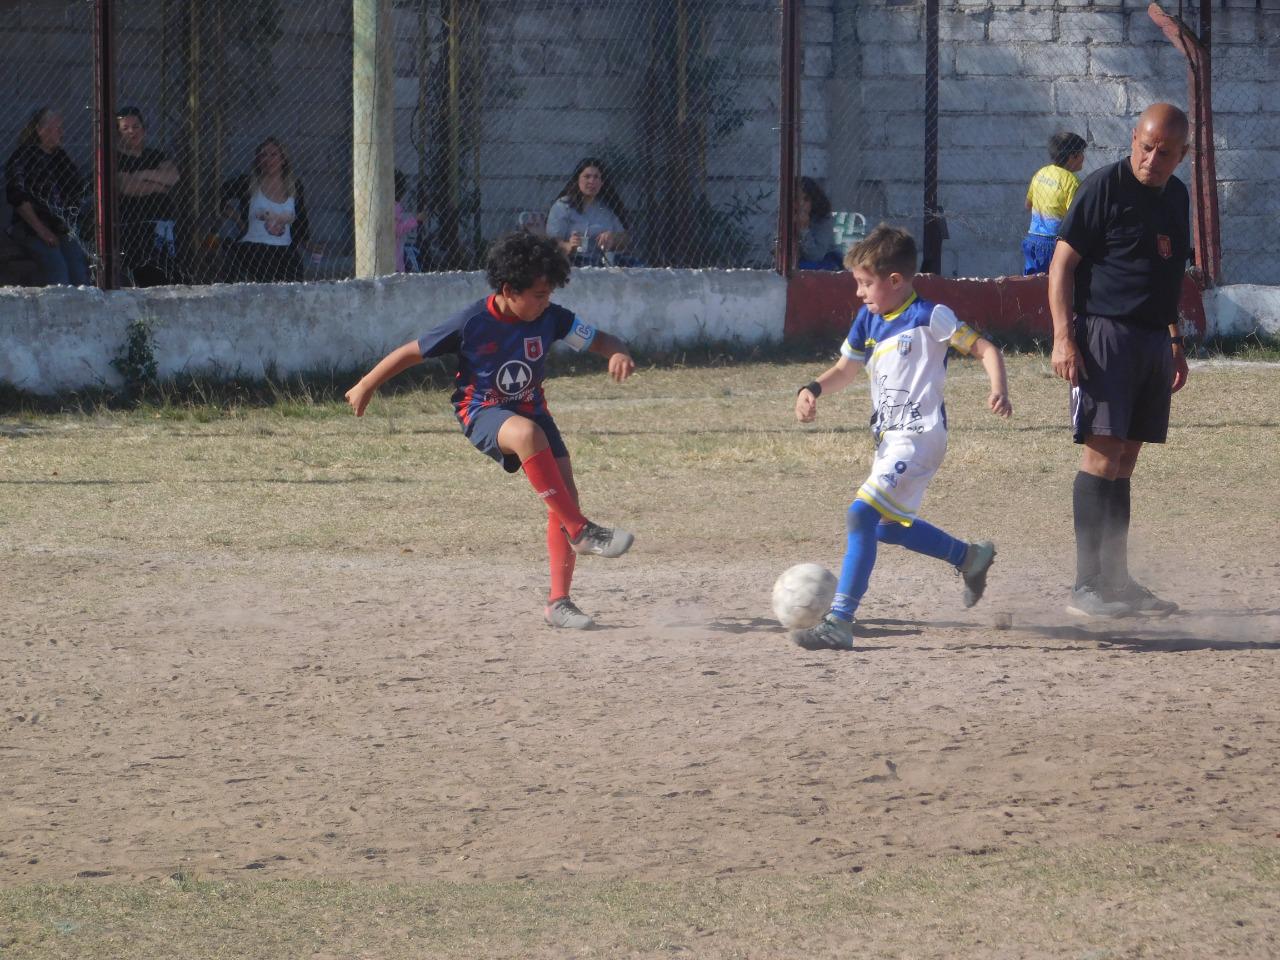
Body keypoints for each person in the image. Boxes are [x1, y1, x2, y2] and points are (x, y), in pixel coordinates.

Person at [344, 232, 637, 629]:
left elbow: (600, 339)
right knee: (530, 440)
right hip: (482, 410)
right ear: (508, 290)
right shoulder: (473, 321)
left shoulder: (552, 318)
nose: (545, 301)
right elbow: (412, 351)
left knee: (563, 497)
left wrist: (617, 351)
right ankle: (581, 532)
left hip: (533, 410)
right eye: (537, 294)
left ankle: (559, 603)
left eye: (549, 293)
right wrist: (367, 384)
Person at [790, 223, 1012, 651]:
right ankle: (969, 557)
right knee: (886, 529)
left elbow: (986, 348)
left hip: (920, 435)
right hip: (891, 441)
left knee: (860, 515)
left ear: (894, 281)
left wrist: (997, 387)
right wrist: (812, 389)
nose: (859, 293)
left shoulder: (929, 316)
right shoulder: (867, 321)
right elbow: (846, 370)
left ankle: (839, 621)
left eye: (865, 283)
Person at [1049, 103, 1191, 619]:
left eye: (1165, 152)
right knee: (1102, 454)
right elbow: (1061, 265)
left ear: (1182, 155)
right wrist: (1064, 337)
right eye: (1145, 146)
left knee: (1126, 460)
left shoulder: (1177, 196)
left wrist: (1174, 341)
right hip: (1103, 335)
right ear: (1133, 138)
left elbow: (1170, 272)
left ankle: (1117, 579)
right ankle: (1087, 585)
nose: (1152, 159)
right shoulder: (1103, 187)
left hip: (1153, 340)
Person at [4, 107, 89, 286]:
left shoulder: (60, 157)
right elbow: (17, 196)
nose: (61, 132)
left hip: (62, 227)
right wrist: (42, 230)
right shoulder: (24, 156)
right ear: (40, 130)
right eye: (56, 127)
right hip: (32, 228)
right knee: (58, 268)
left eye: (61, 127)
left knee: (78, 269)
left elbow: (78, 188)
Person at [221, 137, 311, 282]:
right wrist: (236, 217)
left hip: (285, 252)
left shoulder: (294, 185)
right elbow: (217, 195)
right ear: (258, 160)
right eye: (263, 155)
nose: (268, 159)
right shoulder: (247, 183)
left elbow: (301, 218)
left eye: (273, 155)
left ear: (283, 160)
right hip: (254, 250)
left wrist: (308, 244)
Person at [115, 106, 180, 286]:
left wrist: (140, 175)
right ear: (118, 133)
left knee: (165, 276)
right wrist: (159, 184)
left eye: (135, 126)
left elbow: (173, 177)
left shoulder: (156, 155)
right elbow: (126, 186)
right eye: (125, 128)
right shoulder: (115, 158)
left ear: (143, 129)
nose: (132, 132)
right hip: (133, 227)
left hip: (163, 226)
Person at [545, 157, 630, 266]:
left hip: (601, 263)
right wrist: (569, 246)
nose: (592, 181)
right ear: (577, 180)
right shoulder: (562, 206)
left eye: (596, 177)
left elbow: (625, 238)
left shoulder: (606, 208)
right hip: (571, 262)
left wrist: (613, 238)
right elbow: (552, 241)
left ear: (602, 182)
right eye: (587, 176)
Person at [1023, 131, 1086, 276]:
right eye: (1082, 153)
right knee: (1055, 283)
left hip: (1032, 240)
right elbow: (1074, 218)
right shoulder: (1072, 181)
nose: (1084, 158)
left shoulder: (1041, 173)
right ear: (1072, 156)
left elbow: (1028, 204)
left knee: (1031, 284)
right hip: (1054, 244)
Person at [796, 176, 842, 269]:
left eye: (806, 199)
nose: (801, 204)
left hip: (824, 261)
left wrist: (804, 229)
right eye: (796, 199)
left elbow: (816, 256)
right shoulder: (785, 218)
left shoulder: (823, 219)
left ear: (814, 201)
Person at [394, 169, 421, 273]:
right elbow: (397, 229)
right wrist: (415, 220)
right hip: (394, 257)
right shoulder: (395, 206)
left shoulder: (387, 204)